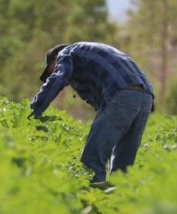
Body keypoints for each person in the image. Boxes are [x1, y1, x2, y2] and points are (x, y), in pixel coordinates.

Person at [29, 42, 155, 187]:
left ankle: (95, 203)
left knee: (93, 158)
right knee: (123, 163)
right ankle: (118, 204)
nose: (51, 73)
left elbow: (57, 79)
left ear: (54, 60)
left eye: (50, 70)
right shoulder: (90, 53)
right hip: (146, 97)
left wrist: (34, 111)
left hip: (122, 93)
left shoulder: (66, 53)